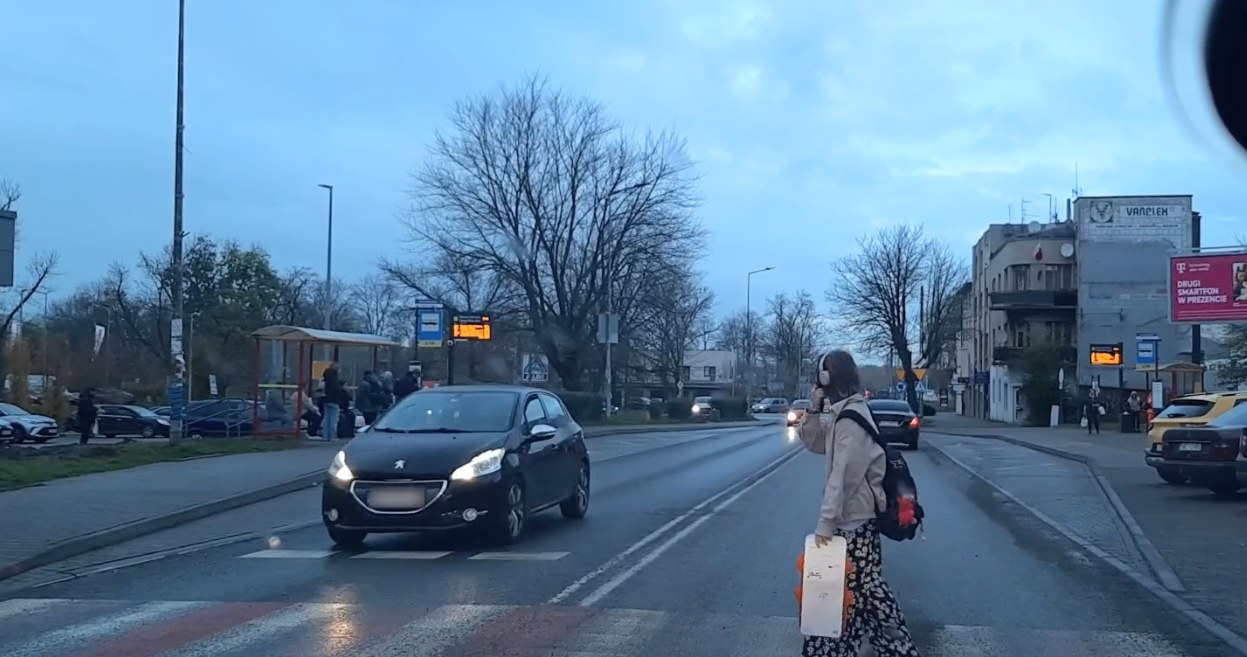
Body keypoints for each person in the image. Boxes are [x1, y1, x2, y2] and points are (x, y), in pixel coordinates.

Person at [798, 350, 921, 657]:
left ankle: (896, 647)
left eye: (820, 375)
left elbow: (844, 479)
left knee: (859, 592)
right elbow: (815, 443)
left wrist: (825, 524)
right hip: (851, 522)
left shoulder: (851, 420)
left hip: (855, 523)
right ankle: (848, 648)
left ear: (826, 378)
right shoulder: (843, 413)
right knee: (847, 594)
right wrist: (814, 409)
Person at [321, 362, 345, 439]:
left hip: (326, 400)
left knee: (327, 419)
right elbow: (337, 390)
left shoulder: (326, 377)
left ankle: (325, 436)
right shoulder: (335, 378)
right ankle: (332, 437)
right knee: (334, 420)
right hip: (334, 400)